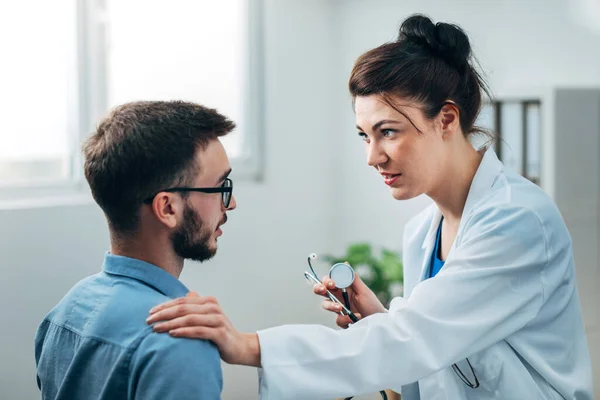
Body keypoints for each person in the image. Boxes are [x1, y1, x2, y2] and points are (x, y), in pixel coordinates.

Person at [145, 15, 594, 399]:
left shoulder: (518, 220)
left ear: (447, 119)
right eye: (365, 135)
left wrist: (247, 346)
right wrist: (379, 319)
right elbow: (434, 353)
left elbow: (417, 337)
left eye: (389, 132)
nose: (372, 156)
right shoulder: (422, 233)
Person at [34, 100, 237, 399]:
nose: (230, 203)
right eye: (221, 188)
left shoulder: (64, 313)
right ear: (167, 207)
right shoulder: (180, 342)